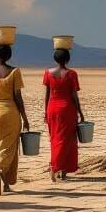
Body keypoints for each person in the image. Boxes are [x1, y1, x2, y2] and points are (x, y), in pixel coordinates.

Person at [0, 44, 30, 196]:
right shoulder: (14, 71)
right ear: (9, 55)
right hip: (10, 112)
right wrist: (25, 117)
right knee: (9, 148)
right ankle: (1, 175)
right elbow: (18, 96)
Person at [44, 48, 84, 180]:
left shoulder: (48, 73)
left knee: (55, 138)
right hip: (67, 109)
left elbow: (47, 95)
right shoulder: (71, 74)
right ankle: (57, 167)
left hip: (52, 109)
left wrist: (46, 112)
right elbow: (74, 96)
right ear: (67, 59)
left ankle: (57, 166)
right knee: (66, 140)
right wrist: (80, 112)